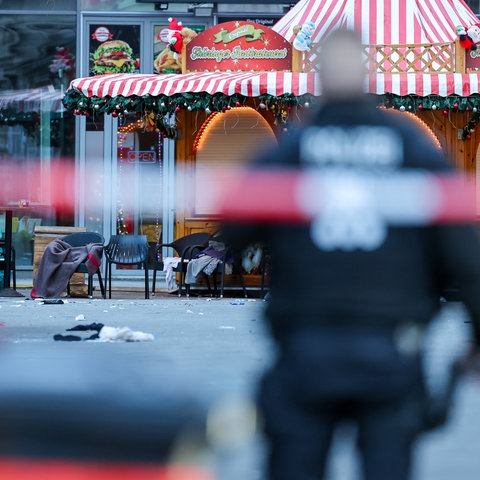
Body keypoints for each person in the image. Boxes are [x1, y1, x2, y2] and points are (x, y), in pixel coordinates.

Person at [220, 29, 480, 480]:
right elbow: (465, 254)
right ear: (366, 75)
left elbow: (235, 229)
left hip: (305, 348)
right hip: (392, 350)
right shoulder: (412, 149)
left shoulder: (292, 149)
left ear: (319, 77)